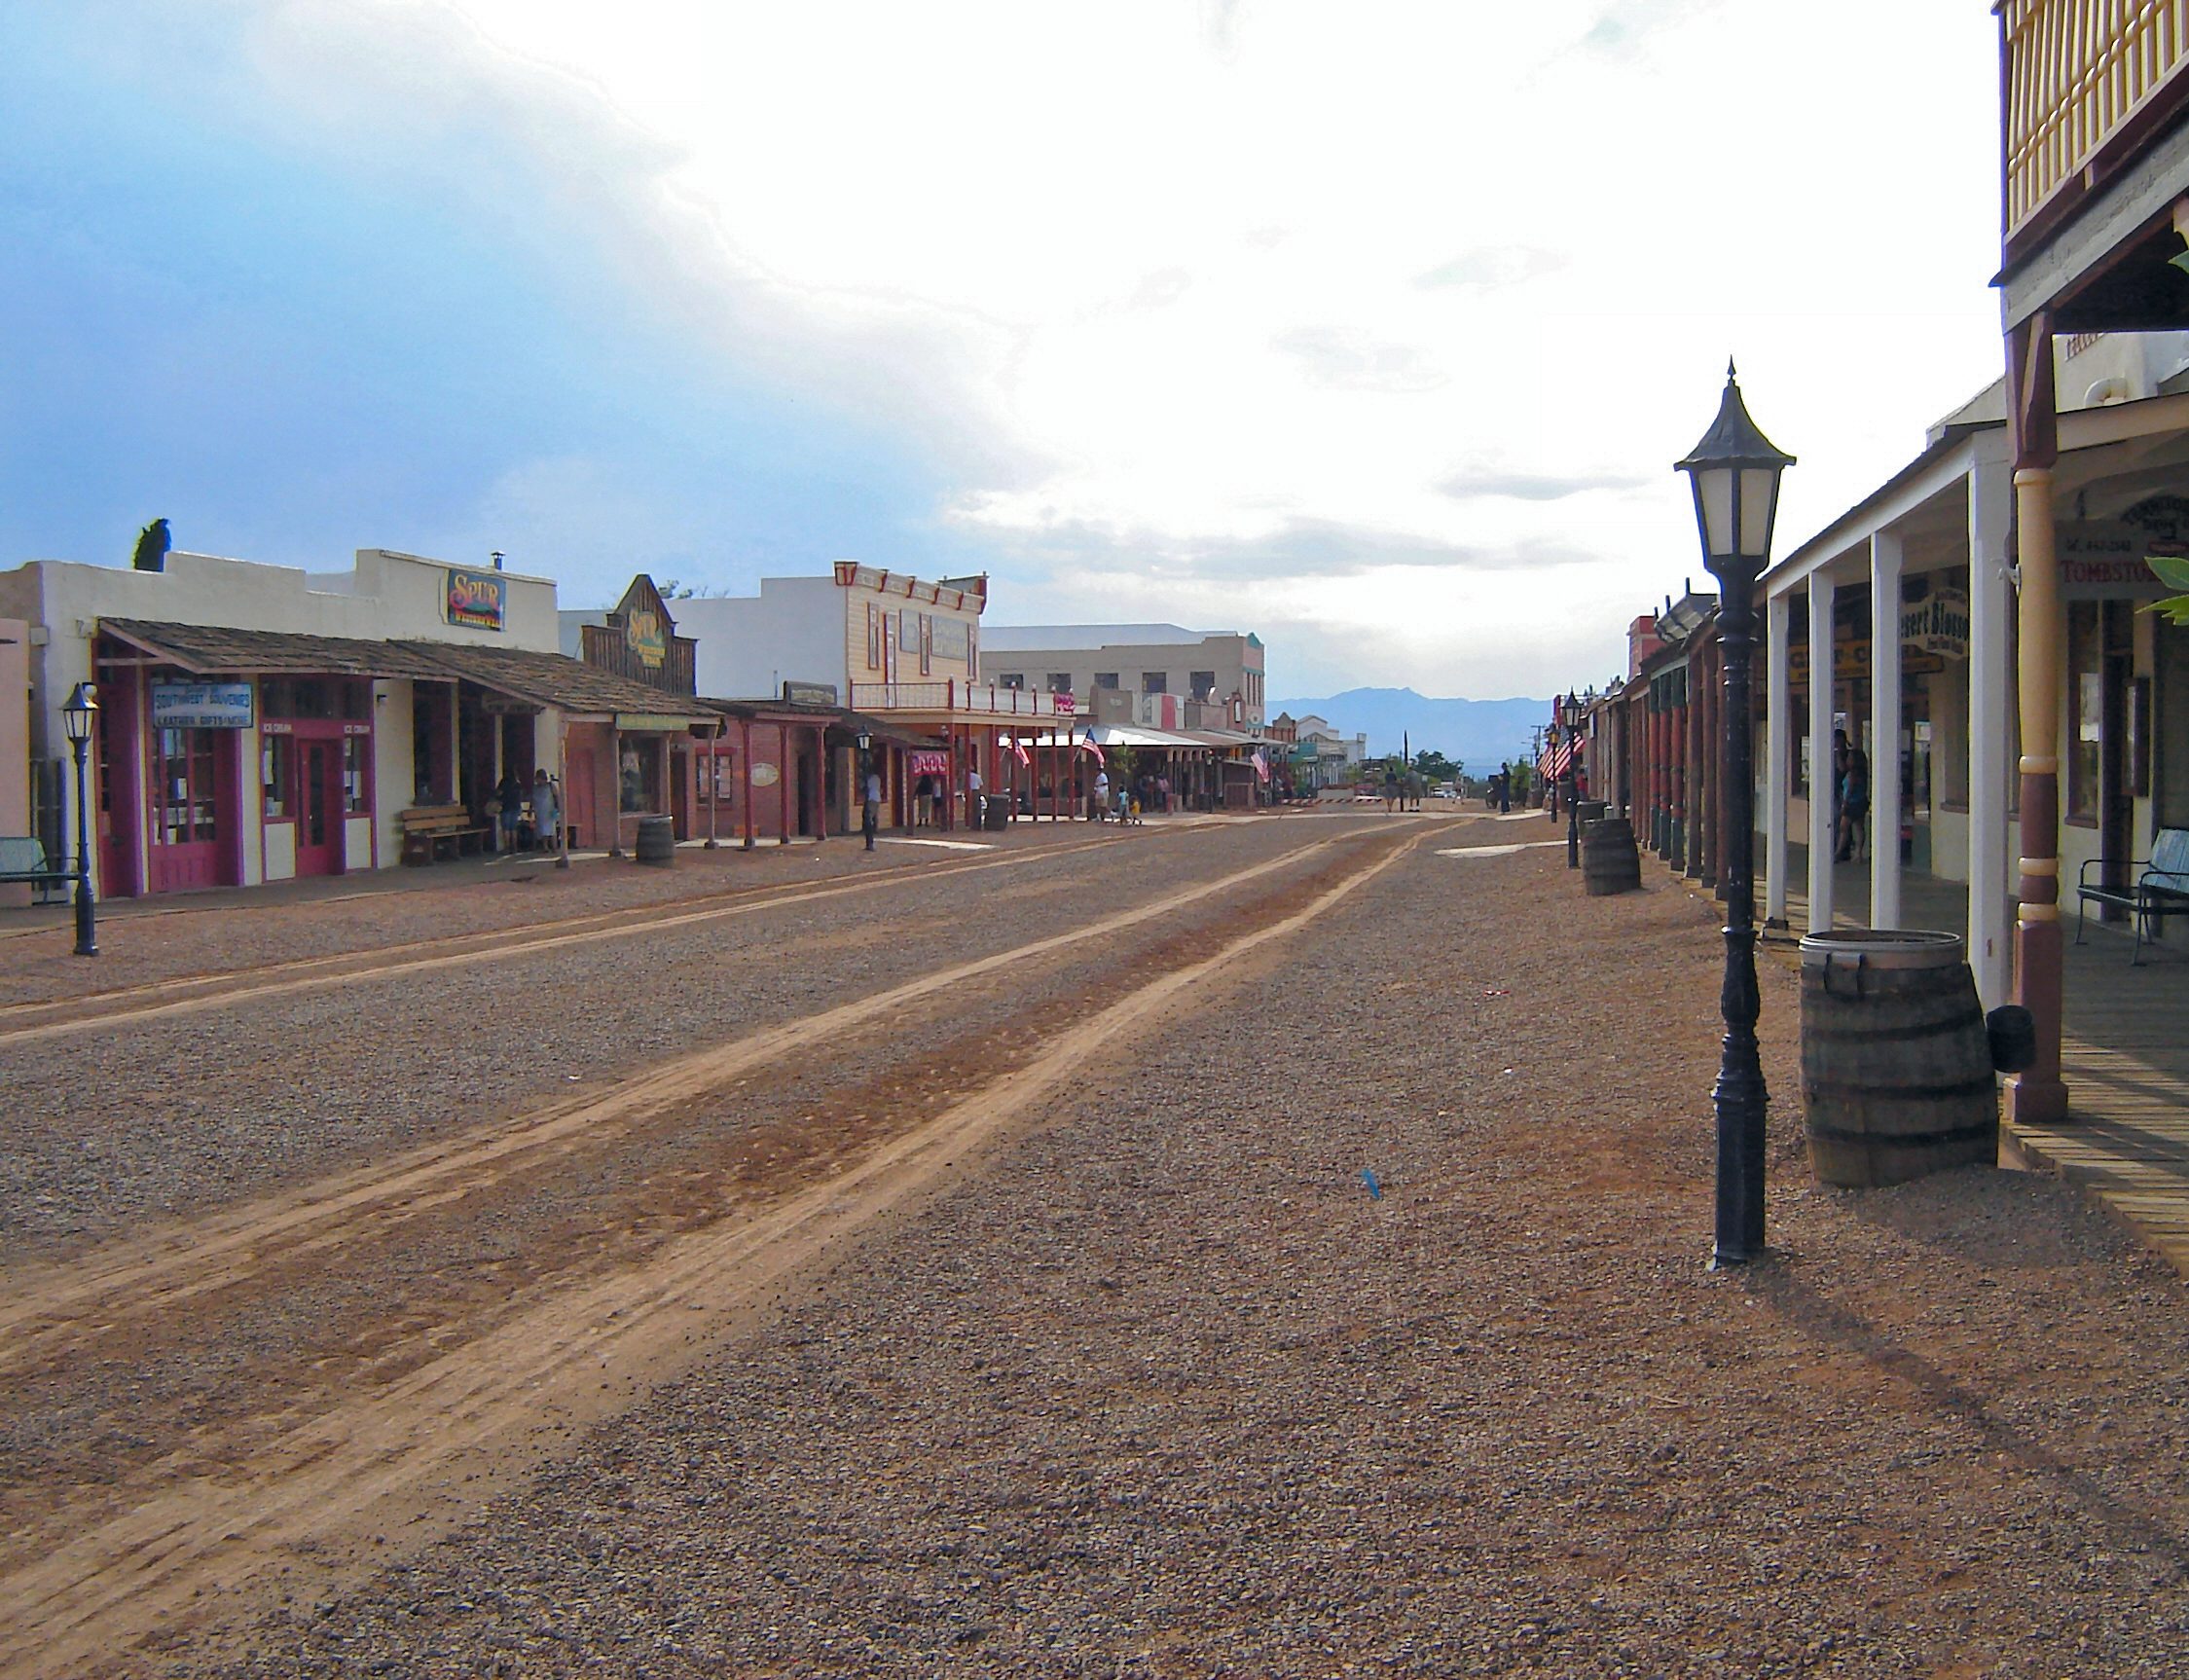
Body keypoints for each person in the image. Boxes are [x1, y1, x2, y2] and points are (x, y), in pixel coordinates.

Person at [1839, 742, 1871, 862]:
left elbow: (1850, 789)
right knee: (1859, 827)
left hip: (1851, 803)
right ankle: (1858, 853)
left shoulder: (1852, 774)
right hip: (1860, 802)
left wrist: (1844, 803)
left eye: (1849, 758)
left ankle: (1839, 851)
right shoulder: (1861, 773)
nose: (1847, 760)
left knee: (1844, 827)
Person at [531, 768, 561, 855]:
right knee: (542, 829)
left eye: (538, 779)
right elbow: (532, 799)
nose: (537, 781)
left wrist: (558, 807)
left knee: (552, 829)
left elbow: (557, 796)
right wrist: (531, 808)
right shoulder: (535, 788)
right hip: (539, 811)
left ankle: (554, 847)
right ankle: (545, 847)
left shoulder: (550, 786)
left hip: (550, 810)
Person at [494, 771, 525, 853]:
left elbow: (499, 793)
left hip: (506, 807)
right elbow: (521, 794)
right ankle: (514, 847)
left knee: (506, 828)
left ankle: (507, 847)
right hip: (516, 806)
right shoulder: (518, 784)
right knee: (513, 828)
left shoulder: (504, 782)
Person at [861, 763, 882, 851]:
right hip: (877, 797)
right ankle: (875, 828)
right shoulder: (877, 778)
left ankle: (871, 832)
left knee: (868, 817)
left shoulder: (869, 779)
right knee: (874, 815)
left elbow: (866, 787)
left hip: (871, 797)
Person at [967, 764, 984, 829]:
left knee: (970, 808)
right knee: (977, 809)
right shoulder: (977, 776)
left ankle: (971, 824)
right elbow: (981, 784)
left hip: (969, 791)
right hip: (976, 791)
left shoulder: (967, 776)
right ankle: (977, 824)